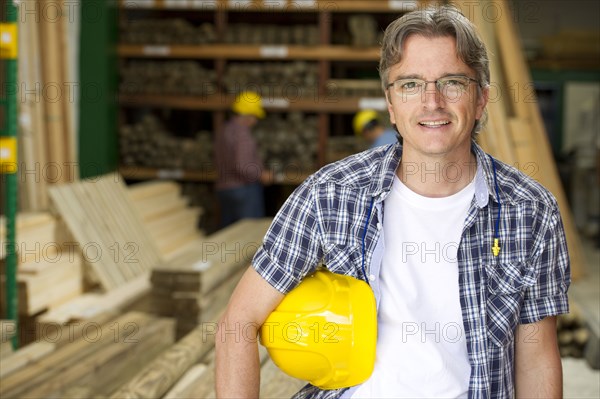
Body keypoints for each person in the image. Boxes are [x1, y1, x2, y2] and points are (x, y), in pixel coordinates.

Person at [216, 5, 570, 399]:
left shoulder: (530, 212)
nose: (431, 101)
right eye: (410, 84)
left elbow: (537, 356)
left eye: (452, 82)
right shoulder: (331, 194)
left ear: (482, 98)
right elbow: (238, 323)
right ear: (390, 103)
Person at [214, 91, 273, 228]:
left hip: (224, 189)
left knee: (228, 236)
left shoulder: (224, 130)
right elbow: (242, 165)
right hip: (244, 190)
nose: (255, 121)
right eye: (255, 116)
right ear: (248, 114)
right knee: (249, 235)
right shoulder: (243, 134)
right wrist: (261, 174)